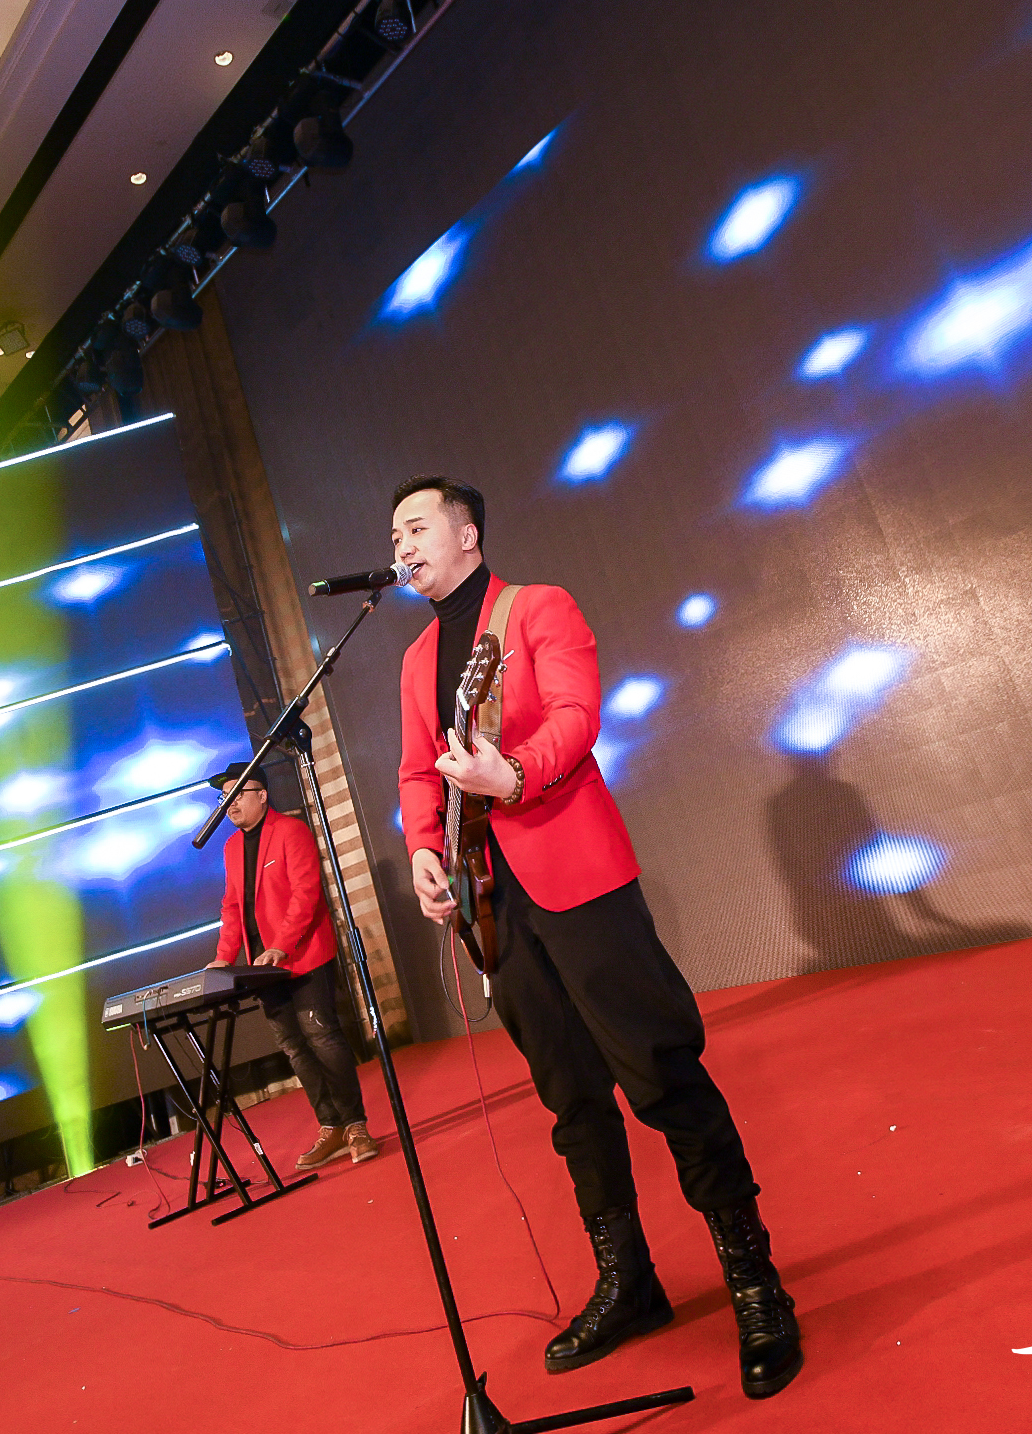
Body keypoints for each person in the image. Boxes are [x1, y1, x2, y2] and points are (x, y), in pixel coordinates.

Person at [392, 476, 802, 1399]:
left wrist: (513, 775)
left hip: (576, 874)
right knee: (570, 1096)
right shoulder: (416, 660)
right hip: (492, 901)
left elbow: (577, 719)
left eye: (416, 527)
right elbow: (420, 771)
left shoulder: (538, 607)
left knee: (660, 1068)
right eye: (394, 536)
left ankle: (754, 1279)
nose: (402, 545)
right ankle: (631, 1283)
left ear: (467, 533)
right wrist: (422, 849)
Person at [205, 762, 380, 1170]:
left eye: (237, 794)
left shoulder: (290, 831)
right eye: (224, 797)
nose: (229, 804)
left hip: (303, 955)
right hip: (262, 968)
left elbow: (306, 893)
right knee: (294, 1047)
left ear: (262, 795)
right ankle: (330, 1126)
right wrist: (224, 956)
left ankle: (356, 1126)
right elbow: (232, 907)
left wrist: (281, 946)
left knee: (322, 1036)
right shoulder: (231, 848)